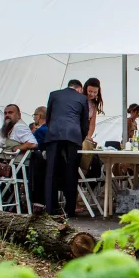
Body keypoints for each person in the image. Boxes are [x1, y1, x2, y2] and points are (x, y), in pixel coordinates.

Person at [44, 79, 89, 216]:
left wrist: (53, 130)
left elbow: (48, 118)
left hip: (54, 134)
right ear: (79, 89)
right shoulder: (82, 98)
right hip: (73, 136)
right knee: (71, 172)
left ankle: (51, 209)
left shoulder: (54, 94)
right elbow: (84, 123)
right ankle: (69, 210)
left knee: (51, 172)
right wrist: (80, 138)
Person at [79, 77, 105, 174]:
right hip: (76, 131)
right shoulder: (79, 99)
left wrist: (89, 136)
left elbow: (92, 123)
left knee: (89, 150)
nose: (92, 94)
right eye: (90, 91)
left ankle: (83, 173)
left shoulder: (94, 104)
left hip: (85, 133)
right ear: (85, 89)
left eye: (95, 92)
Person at [29, 107, 48, 207]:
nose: (34, 118)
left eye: (34, 115)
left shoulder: (40, 131)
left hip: (40, 167)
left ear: (39, 116)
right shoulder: (52, 129)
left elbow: (32, 146)